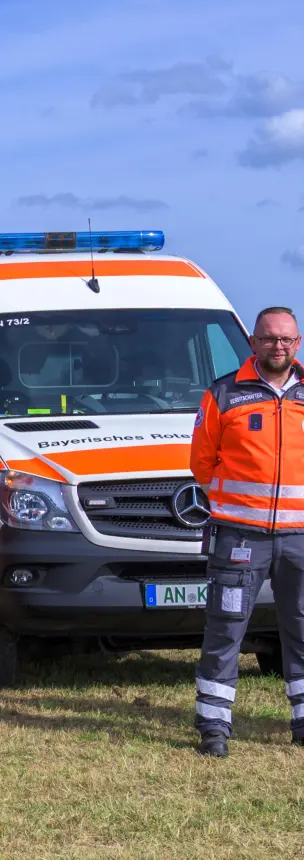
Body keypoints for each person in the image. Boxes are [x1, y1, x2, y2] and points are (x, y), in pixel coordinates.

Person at [189, 306, 304, 757]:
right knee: (226, 629)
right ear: (253, 343)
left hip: (300, 537)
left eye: (288, 340)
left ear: (296, 344)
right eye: (270, 339)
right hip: (241, 537)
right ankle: (214, 726)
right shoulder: (224, 394)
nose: (279, 346)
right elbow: (201, 463)